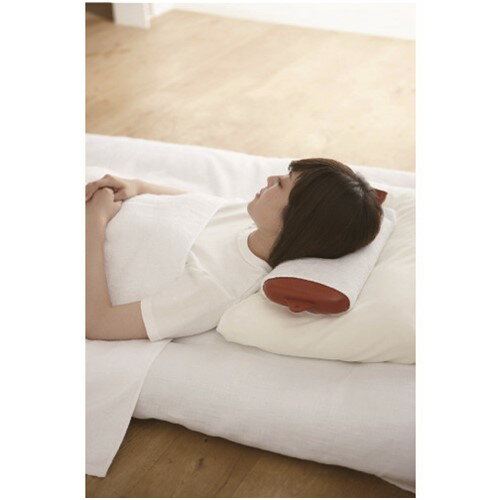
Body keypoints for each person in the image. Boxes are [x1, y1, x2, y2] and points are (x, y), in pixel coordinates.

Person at [86, 158, 383, 342]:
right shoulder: (255, 221)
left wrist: (95, 220)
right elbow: (198, 205)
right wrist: (137, 186)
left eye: (281, 184)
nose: (270, 179)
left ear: (295, 220)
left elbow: (99, 323)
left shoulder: (218, 286)